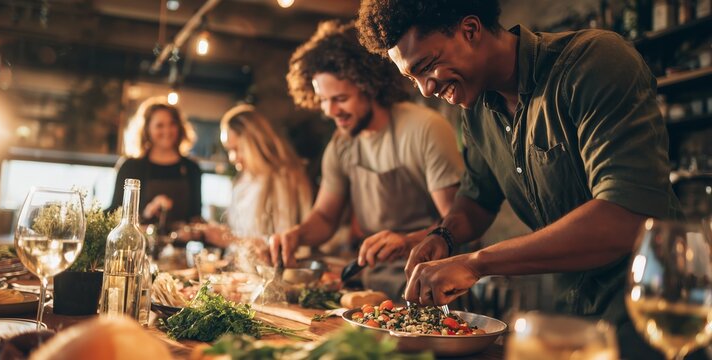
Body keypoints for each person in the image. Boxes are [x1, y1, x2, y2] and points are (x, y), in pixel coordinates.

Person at [357, 1, 689, 359]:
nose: (424, 89)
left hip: (655, 314)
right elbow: (476, 200)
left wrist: (475, 263)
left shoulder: (594, 62)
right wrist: (443, 236)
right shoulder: (477, 111)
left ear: (470, 30)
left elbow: (625, 217)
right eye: (412, 78)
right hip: (570, 319)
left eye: (427, 66)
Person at [274, 20, 464, 298]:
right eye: (323, 100)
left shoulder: (424, 128)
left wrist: (407, 241)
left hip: (433, 282)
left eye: (339, 98)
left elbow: (458, 223)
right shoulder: (341, 144)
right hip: (374, 283)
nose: (330, 111)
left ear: (369, 86)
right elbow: (326, 217)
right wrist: (297, 235)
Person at [202, 104, 313, 251]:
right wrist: (225, 235)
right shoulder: (243, 180)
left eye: (237, 149)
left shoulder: (282, 178)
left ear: (255, 142)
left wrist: (231, 240)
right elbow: (243, 232)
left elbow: (283, 242)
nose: (232, 157)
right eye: (229, 150)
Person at [110, 96, 202, 231]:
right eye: (160, 125)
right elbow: (115, 213)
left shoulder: (191, 168)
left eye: (172, 124)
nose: (167, 131)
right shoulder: (130, 167)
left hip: (179, 249)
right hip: (140, 246)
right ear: (147, 129)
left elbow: (195, 217)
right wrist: (146, 212)